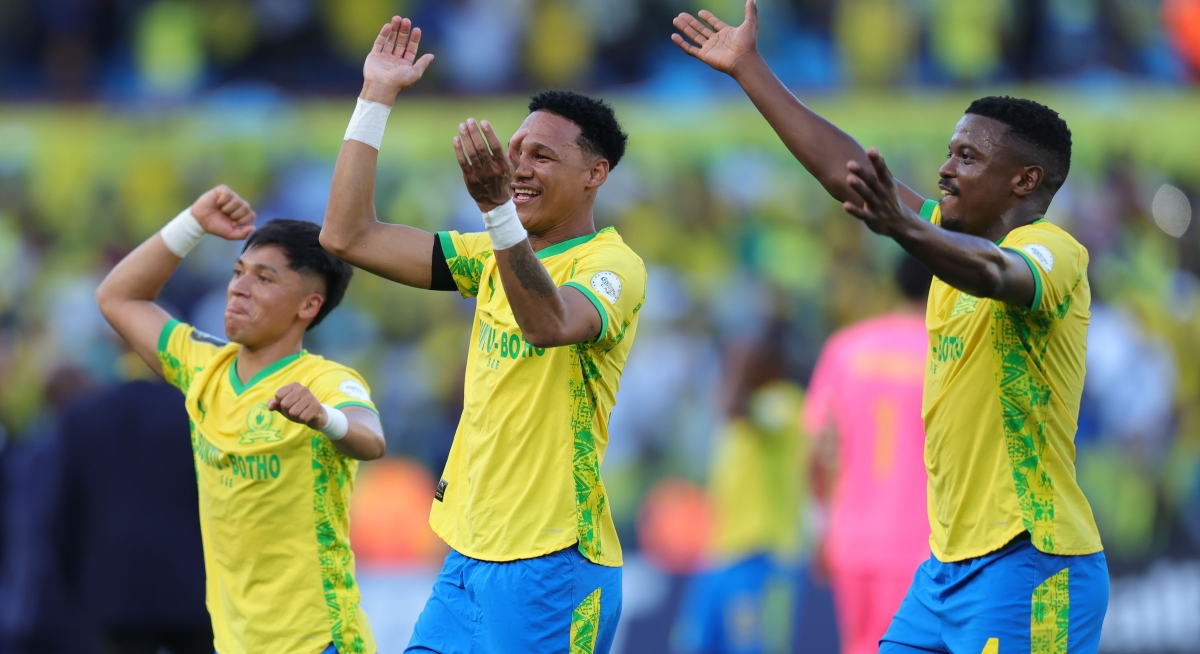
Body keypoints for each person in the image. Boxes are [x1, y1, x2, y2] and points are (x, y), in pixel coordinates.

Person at [671, 3, 1108, 652]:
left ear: (1024, 180)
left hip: (1032, 561)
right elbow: (843, 171)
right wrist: (749, 70)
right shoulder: (944, 238)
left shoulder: (1054, 251)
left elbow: (998, 272)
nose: (945, 169)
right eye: (949, 152)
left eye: (967, 157)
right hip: (944, 567)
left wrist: (905, 227)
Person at [319, 16, 646, 654]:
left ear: (596, 174)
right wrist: (375, 96)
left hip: (555, 563)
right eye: (516, 151)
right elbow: (346, 235)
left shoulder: (612, 265)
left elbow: (550, 324)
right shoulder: (487, 256)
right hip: (467, 557)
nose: (518, 166)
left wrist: (498, 211)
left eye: (542, 156)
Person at [95, 186, 387, 654]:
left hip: (320, 641)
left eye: (264, 279)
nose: (238, 288)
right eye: (238, 272)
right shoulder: (202, 364)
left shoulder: (326, 380)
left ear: (308, 306)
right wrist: (193, 223)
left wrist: (324, 418)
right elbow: (118, 297)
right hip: (235, 644)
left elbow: (371, 438)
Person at [803, 256, 932, 654]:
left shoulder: (847, 347)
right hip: (922, 544)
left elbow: (817, 448)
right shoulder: (948, 354)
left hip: (851, 538)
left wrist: (820, 526)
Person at [50, 353, 211, 654]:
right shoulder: (195, 413)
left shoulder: (82, 416)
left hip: (113, 591)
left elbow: (62, 517)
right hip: (193, 587)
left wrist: (76, 587)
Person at [672, 330, 807, 654]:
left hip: (765, 554)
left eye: (741, 360)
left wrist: (741, 369)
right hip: (720, 553)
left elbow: (734, 407)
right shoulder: (736, 415)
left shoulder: (783, 403)